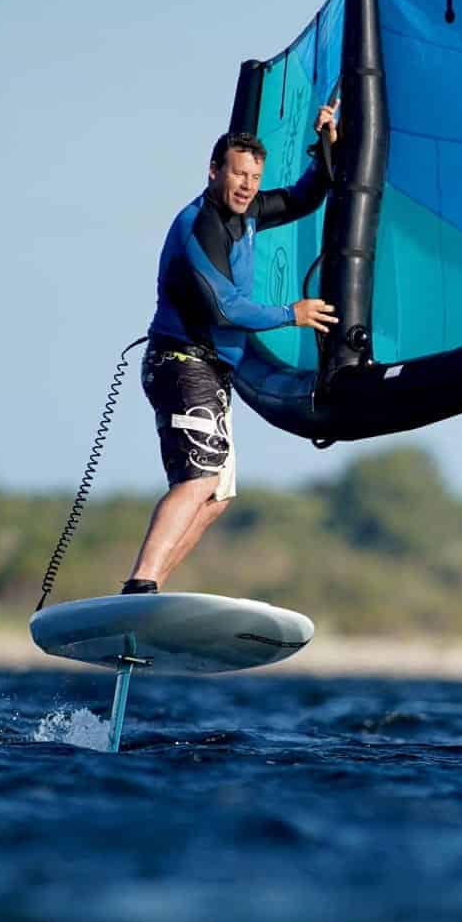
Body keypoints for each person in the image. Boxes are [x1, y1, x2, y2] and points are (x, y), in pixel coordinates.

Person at [120, 100, 340, 594]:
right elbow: (225, 307)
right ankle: (141, 585)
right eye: (238, 174)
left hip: (212, 372)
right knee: (197, 482)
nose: (247, 185)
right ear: (215, 170)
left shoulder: (250, 211)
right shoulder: (198, 226)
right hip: (181, 364)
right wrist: (293, 313)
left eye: (254, 177)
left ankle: (148, 591)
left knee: (215, 495)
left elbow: (305, 198)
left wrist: (324, 144)